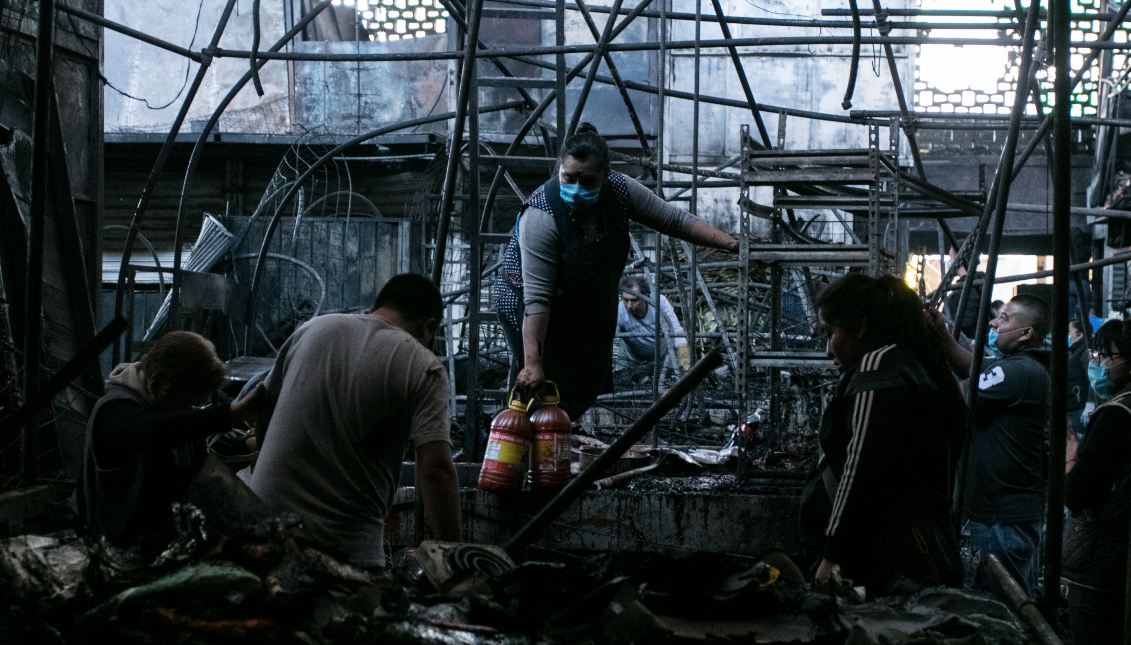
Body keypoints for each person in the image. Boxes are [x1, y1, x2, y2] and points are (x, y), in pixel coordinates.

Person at [493, 123, 738, 419]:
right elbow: (537, 299)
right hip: (531, 307)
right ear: (559, 169)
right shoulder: (542, 215)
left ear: (605, 176)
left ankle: (556, 442)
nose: (576, 188)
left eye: (587, 180)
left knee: (582, 384)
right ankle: (521, 448)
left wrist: (732, 244)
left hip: (584, 304)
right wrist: (533, 362)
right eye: (568, 178)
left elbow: (674, 220)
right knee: (540, 385)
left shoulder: (620, 190)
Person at [248, 274, 461, 568]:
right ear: (429, 326)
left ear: (375, 308)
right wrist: (456, 563)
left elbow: (264, 420)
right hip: (345, 553)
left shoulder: (311, 329)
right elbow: (435, 471)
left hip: (260, 537)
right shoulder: (425, 366)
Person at [799, 274, 964, 594]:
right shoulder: (912, 363)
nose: (827, 350)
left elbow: (861, 469)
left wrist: (834, 555)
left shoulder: (881, 365)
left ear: (860, 326)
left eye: (830, 333)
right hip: (896, 545)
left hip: (879, 554)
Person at [79, 331, 263, 552]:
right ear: (156, 385)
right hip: (104, 550)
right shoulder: (115, 411)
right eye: (187, 405)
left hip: (154, 545)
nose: (191, 412)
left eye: (199, 407)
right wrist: (229, 414)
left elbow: (190, 465)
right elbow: (153, 432)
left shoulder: (172, 408)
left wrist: (244, 446)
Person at [927, 294, 1051, 602]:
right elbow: (976, 370)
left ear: (1026, 333)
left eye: (1005, 319)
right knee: (1011, 606)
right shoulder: (1019, 368)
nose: (994, 322)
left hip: (1003, 519)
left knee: (1002, 611)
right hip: (1005, 515)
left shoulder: (1020, 371)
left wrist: (925, 355)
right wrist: (942, 333)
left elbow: (961, 393)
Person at [1063, 320, 1131, 645]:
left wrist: (1070, 456)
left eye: (1106, 357)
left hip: (1105, 562)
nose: (1098, 365)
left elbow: (1079, 493)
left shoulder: (1117, 415)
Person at [616, 275, 690, 372]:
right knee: (621, 383)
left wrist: (686, 364)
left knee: (672, 381)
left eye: (634, 300)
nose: (629, 306)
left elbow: (676, 331)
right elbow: (609, 337)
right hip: (631, 359)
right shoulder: (619, 311)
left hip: (662, 357)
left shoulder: (659, 302)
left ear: (646, 296)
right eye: (626, 300)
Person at [1066, 318, 1090, 438]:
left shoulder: (1084, 352)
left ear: (1079, 334)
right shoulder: (1073, 351)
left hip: (1079, 406)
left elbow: (1090, 376)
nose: (1068, 334)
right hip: (1072, 405)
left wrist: (1090, 402)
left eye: (1069, 330)